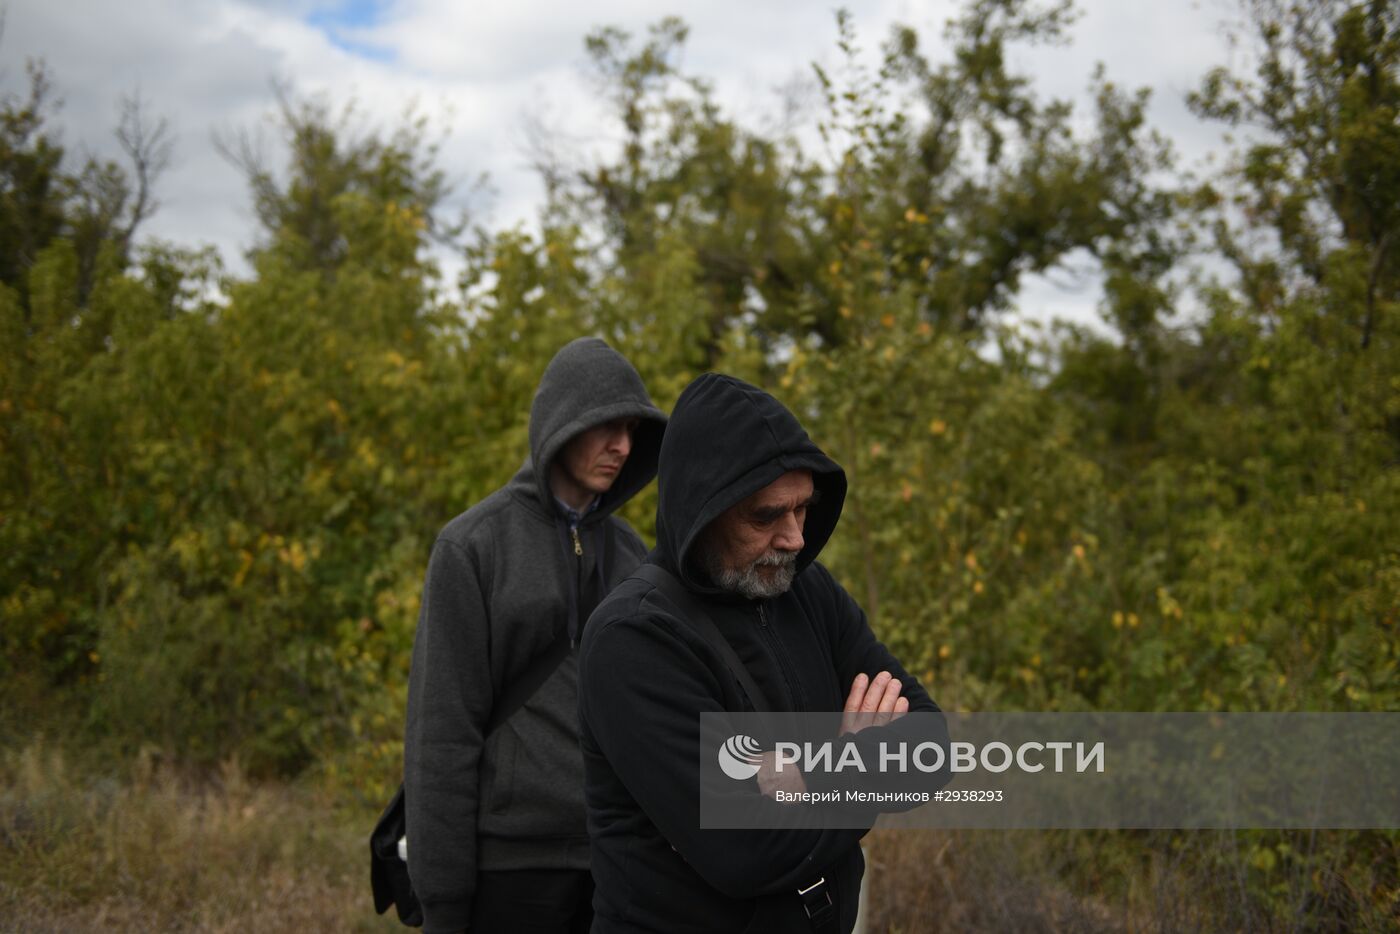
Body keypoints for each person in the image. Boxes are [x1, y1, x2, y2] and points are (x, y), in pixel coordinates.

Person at [577, 372, 944, 933]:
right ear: (703, 510)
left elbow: (929, 744)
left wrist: (812, 772)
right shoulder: (634, 637)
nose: (795, 538)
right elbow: (748, 846)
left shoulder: (807, 590)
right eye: (767, 515)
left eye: (802, 508)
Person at [404, 337, 667, 934]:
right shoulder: (473, 547)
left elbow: (655, 715)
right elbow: (441, 733)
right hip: (511, 870)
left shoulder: (635, 557)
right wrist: (443, 898)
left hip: (617, 863)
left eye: (631, 430)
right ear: (561, 423)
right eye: (606, 426)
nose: (623, 447)